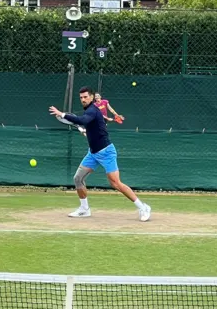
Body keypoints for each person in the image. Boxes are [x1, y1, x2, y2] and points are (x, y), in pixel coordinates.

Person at [49, 86, 151, 221]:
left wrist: (62, 114)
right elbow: (96, 128)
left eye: (86, 97)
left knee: (116, 183)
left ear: (92, 97)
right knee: (78, 178)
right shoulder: (90, 112)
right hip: (93, 153)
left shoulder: (92, 110)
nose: (83, 99)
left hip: (106, 152)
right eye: (81, 98)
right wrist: (87, 133)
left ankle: (143, 207)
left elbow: (83, 121)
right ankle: (84, 209)